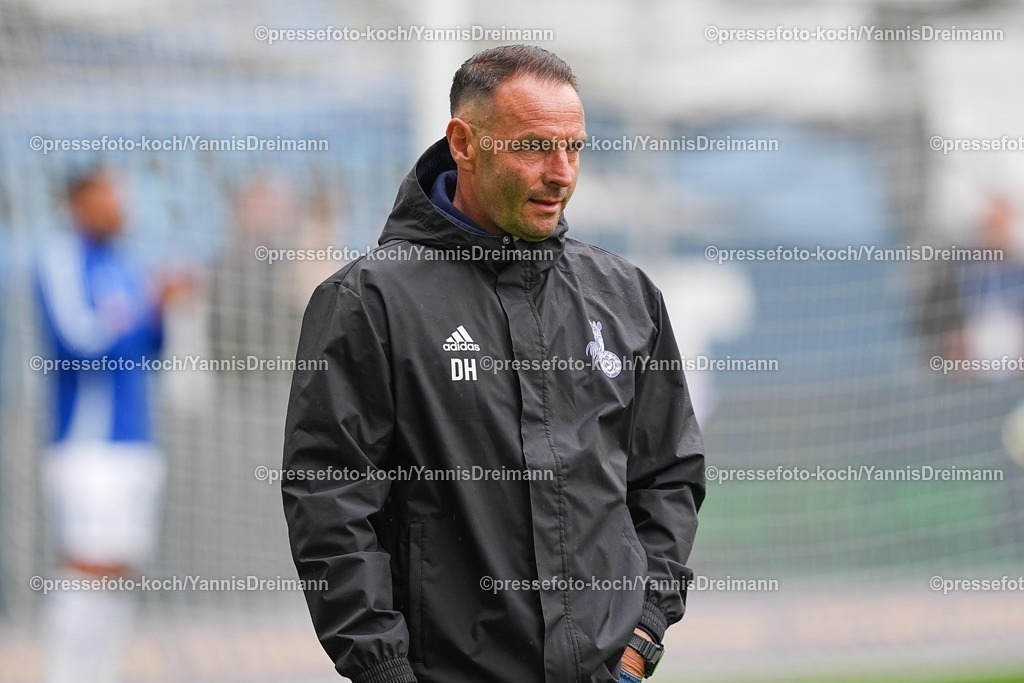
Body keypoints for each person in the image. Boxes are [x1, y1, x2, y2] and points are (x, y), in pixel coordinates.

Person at [282, 45, 706, 683]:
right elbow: (330, 501)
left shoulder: (624, 295)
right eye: (534, 147)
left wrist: (643, 633)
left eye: (573, 148)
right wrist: (381, 669)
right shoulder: (369, 301)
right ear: (464, 143)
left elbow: (668, 474)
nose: (561, 173)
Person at [35, 165, 180, 683]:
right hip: (88, 444)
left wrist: (159, 311)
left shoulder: (125, 263)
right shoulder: (61, 257)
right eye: (110, 193)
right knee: (87, 566)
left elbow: (148, 349)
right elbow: (77, 341)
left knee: (118, 570)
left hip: (135, 439)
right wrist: (143, 308)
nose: (122, 203)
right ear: (80, 201)